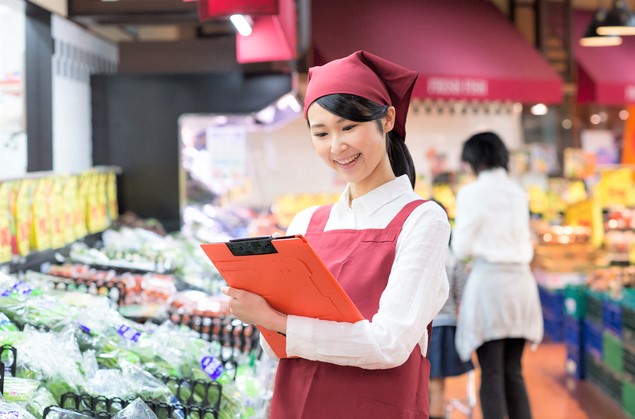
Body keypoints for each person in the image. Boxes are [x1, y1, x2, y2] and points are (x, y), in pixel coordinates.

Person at [221, 50, 450, 418]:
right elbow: (276, 348)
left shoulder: (423, 220)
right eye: (321, 133)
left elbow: (387, 345)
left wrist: (275, 320)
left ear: (387, 119)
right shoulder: (305, 223)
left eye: (348, 127)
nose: (336, 147)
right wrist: (254, 306)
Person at [451, 132, 543, 419]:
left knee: (491, 373)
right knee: (514, 371)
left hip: (490, 285)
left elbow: (461, 247)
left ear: (474, 159)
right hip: (521, 286)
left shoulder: (471, 192)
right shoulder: (518, 191)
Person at [427, 202, 474, 419]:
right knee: (437, 383)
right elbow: (462, 297)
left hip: (421, 329)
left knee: (424, 384)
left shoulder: (415, 256)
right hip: (445, 328)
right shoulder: (453, 258)